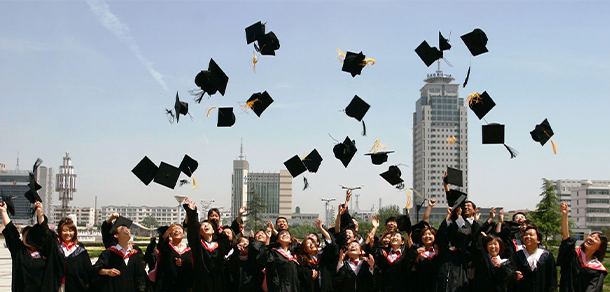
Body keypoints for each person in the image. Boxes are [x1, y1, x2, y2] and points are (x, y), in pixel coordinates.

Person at [183, 198, 232, 292]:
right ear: (199, 231)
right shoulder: (198, 244)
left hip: (217, 283)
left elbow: (228, 245)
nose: (206, 226)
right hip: (201, 283)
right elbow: (192, 230)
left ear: (214, 230)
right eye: (203, 225)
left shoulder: (219, 245)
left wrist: (222, 233)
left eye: (208, 225)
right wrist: (192, 212)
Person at [557, 202, 607, 292]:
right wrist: (565, 215)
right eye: (591, 236)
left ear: (599, 247)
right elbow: (566, 237)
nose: (591, 239)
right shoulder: (573, 255)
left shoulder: (597, 270)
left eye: (596, 239)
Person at [40, 214, 93, 292]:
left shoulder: (80, 249)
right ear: (60, 232)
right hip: (57, 286)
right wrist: (40, 213)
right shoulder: (55, 246)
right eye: (64, 230)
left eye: (71, 230)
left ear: (74, 232)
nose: (68, 233)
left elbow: (88, 271)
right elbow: (45, 231)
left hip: (75, 287)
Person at [1, 200, 47, 292]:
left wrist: (40, 213)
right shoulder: (19, 252)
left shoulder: (45, 253)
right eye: (25, 236)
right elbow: (11, 232)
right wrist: (4, 212)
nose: (28, 238)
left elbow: (44, 231)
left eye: (32, 236)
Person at [93, 215, 147, 292]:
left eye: (127, 228)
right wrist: (107, 271)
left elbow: (141, 277)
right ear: (116, 235)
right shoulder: (109, 253)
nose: (126, 230)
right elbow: (95, 270)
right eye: (122, 229)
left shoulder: (135, 254)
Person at [470, 211, 519, 292]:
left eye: (495, 244)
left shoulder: (506, 262)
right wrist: (475, 222)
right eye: (490, 244)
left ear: (500, 246)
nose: (493, 247)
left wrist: (501, 266)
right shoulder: (483, 260)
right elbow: (477, 238)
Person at [510, 225, 557, 292]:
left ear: (538, 240)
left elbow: (552, 279)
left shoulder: (547, 256)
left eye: (531, 235)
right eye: (525, 235)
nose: (528, 237)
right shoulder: (517, 256)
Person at [434, 206, 470, 292]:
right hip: (444, 270)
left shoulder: (467, 227)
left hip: (459, 269)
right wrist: (448, 217)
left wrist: (459, 216)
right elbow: (439, 237)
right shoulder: (444, 249)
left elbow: (465, 234)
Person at [153, 224, 193, 292]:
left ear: (184, 234)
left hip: (184, 286)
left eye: (179, 229)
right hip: (167, 286)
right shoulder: (166, 248)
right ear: (170, 234)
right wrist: (167, 231)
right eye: (174, 230)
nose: (177, 230)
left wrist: (183, 262)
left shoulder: (189, 251)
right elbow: (161, 244)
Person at [411, 225, 439, 292]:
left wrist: (438, 255)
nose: (427, 236)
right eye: (424, 234)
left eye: (430, 234)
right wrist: (417, 256)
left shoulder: (438, 250)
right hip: (421, 285)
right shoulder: (416, 251)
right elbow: (413, 269)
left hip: (436, 284)